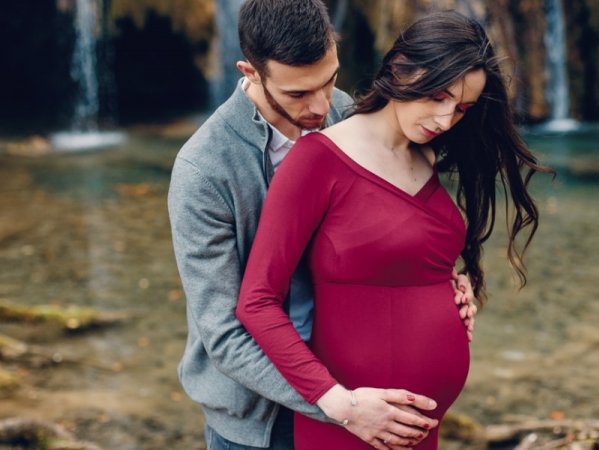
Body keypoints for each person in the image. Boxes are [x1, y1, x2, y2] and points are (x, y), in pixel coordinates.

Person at [235, 10, 552, 450]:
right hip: (356, 422)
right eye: (438, 96)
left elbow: (399, 253)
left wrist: (449, 285)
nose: (445, 119)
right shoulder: (316, 161)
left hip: (420, 425)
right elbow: (256, 302)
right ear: (402, 69)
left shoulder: (427, 153)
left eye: (462, 108)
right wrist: (339, 404)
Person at [167, 1, 477, 449]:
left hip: (362, 397)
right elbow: (224, 330)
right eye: (298, 94)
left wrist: (439, 283)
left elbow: (387, 226)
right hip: (260, 419)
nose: (321, 105)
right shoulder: (205, 169)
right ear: (250, 72)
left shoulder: (346, 114)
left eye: (329, 80)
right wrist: (337, 404)